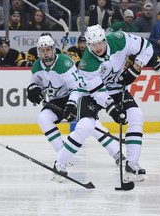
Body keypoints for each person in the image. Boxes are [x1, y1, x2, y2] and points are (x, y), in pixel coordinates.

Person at [53, 24, 153, 183]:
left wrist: (136, 67)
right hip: (91, 93)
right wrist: (112, 109)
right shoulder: (86, 63)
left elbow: (147, 47)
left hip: (116, 88)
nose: (97, 47)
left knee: (136, 115)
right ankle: (60, 164)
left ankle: (131, 165)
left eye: (100, 42)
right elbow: (98, 92)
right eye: (92, 44)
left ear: (105, 39)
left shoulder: (119, 39)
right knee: (85, 126)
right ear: (88, 44)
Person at [27, 33, 126, 182]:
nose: (45, 52)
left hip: (77, 97)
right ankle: (63, 153)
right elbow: (34, 84)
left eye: (47, 49)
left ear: (53, 49)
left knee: (92, 125)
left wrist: (71, 105)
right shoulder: (36, 66)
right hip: (56, 101)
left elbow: (77, 88)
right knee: (43, 118)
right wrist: (33, 90)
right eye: (42, 50)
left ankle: (117, 154)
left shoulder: (65, 63)